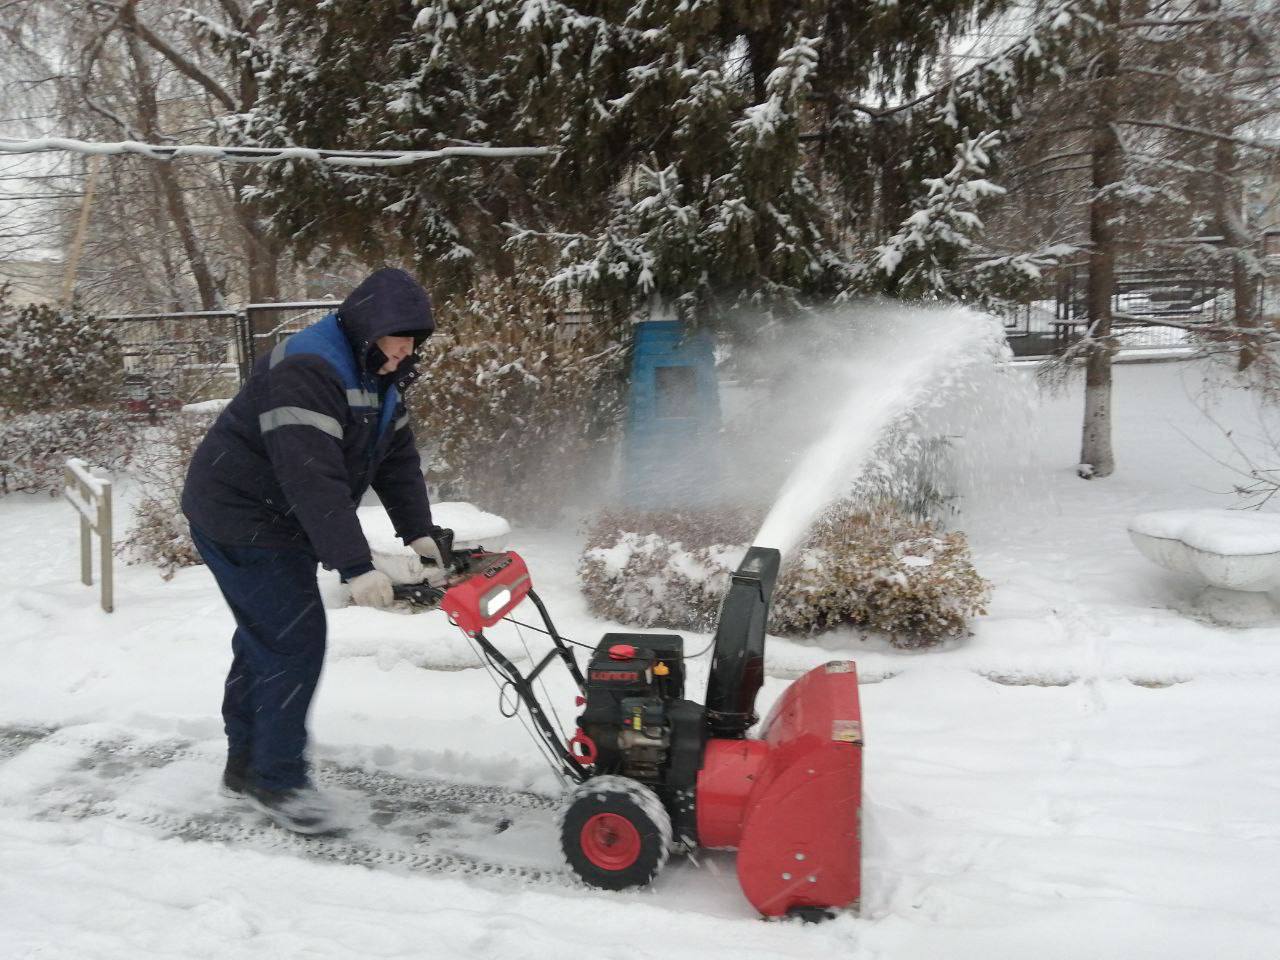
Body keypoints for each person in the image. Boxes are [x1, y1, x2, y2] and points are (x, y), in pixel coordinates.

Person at [181, 267, 452, 834]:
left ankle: (247, 763)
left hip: (279, 518)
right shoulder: (310, 367)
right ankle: (278, 784)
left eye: (414, 339)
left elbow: (396, 459)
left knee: (269, 635)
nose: (408, 348)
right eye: (400, 336)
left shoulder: (378, 371)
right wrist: (355, 565)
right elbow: (312, 476)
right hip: (239, 513)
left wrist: (419, 532)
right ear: (369, 325)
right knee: (294, 639)